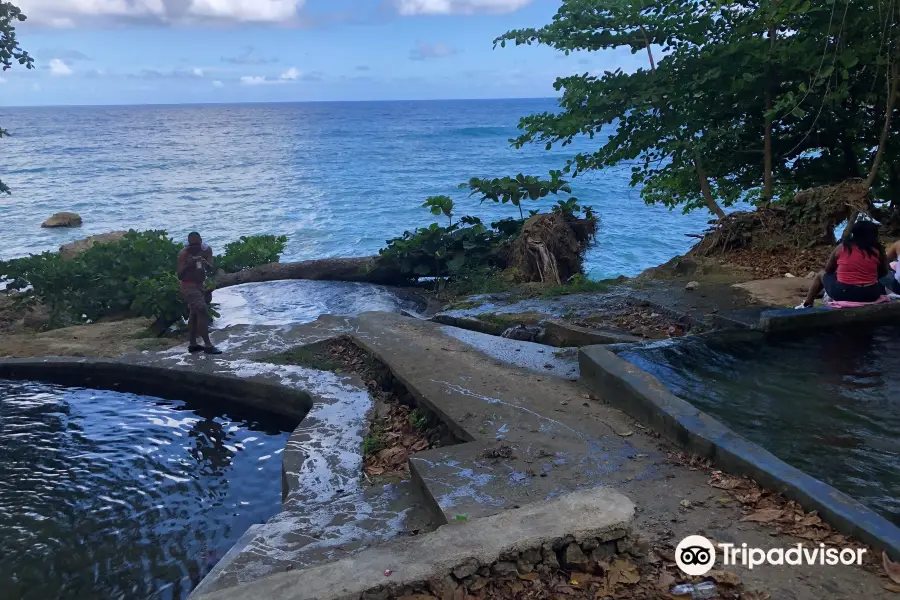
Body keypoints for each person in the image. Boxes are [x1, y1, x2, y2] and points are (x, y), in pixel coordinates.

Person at [797, 220, 890, 308]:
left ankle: (807, 304)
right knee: (878, 282)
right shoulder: (878, 250)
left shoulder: (842, 247)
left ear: (853, 233)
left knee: (821, 274)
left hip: (843, 293)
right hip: (871, 294)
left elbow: (828, 269)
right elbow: (884, 271)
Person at [177, 232, 222, 354]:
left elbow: (212, 269)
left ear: (201, 241)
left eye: (197, 243)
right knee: (202, 310)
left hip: (200, 285)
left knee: (194, 314)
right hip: (188, 285)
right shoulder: (184, 253)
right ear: (188, 243)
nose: (195, 246)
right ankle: (208, 345)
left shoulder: (206, 250)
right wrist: (188, 265)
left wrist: (204, 262)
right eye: (192, 244)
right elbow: (180, 275)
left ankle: (193, 344)